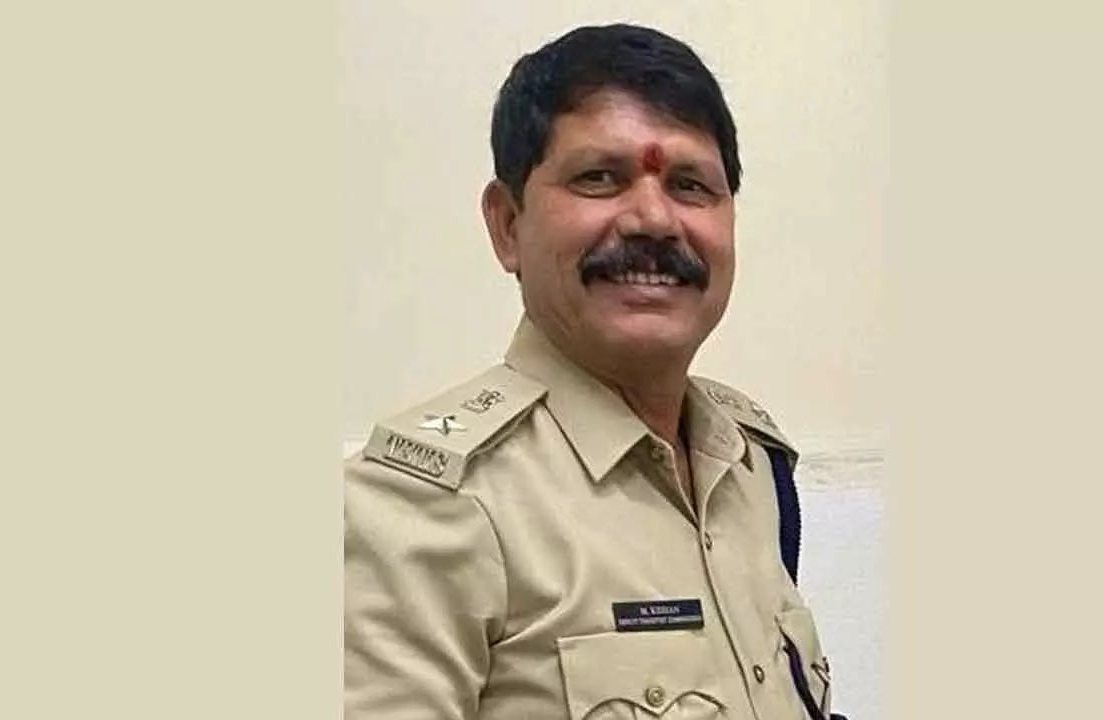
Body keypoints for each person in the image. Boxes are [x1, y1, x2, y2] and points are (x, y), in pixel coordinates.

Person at [345, 23, 840, 720]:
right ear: (507, 225)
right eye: (599, 178)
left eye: (690, 184)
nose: (654, 219)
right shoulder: (414, 511)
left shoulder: (752, 467)